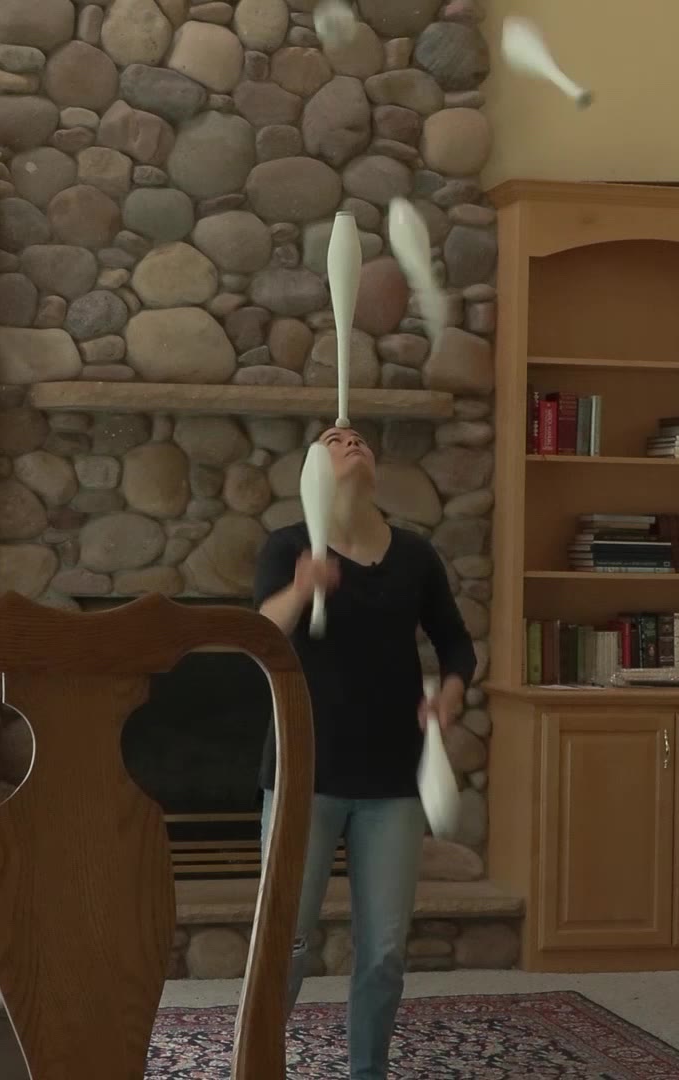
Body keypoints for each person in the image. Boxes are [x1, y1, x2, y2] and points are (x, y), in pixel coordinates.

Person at [253, 424, 476, 1080]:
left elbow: (456, 643)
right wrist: (301, 587)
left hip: (394, 780)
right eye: (332, 438)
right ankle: (258, 1063)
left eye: (358, 438)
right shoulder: (290, 546)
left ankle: (366, 1072)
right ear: (311, 471)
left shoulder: (414, 556)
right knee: (286, 946)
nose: (349, 439)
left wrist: (452, 693)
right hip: (303, 776)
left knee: (383, 953)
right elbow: (260, 638)